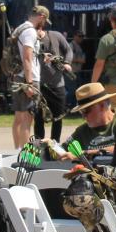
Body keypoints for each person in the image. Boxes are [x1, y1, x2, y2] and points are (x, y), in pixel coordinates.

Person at [63, 82, 116, 171]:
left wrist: (83, 154)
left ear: (102, 105)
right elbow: (62, 150)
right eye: (81, 112)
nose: (83, 116)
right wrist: (51, 146)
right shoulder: (82, 131)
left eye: (86, 110)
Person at [10, 6, 48, 148]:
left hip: (18, 76)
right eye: (44, 21)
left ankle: (16, 151)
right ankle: (24, 155)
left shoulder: (20, 29)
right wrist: (30, 83)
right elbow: (27, 58)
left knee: (19, 117)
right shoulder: (30, 32)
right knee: (27, 119)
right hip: (28, 78)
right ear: (41, 17)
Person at [37, 14, 74, 143]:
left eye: (39, 28)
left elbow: (68, 50)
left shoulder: (55, 36)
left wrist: (67, 63)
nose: (38, 32)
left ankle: (55, 145)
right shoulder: (29, 40)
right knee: (38, 119)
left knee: (58, 118)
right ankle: (39, 146)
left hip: (57, 85)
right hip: (39, 86)